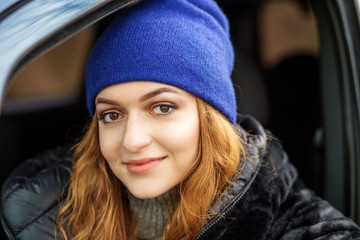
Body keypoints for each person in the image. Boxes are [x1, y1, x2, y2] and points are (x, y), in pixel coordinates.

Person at [1, 0, 360, 239]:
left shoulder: (302, 226)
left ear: (212, 118)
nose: (132, 140)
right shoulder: (38, 214)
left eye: (162, 107)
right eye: (112, 114)